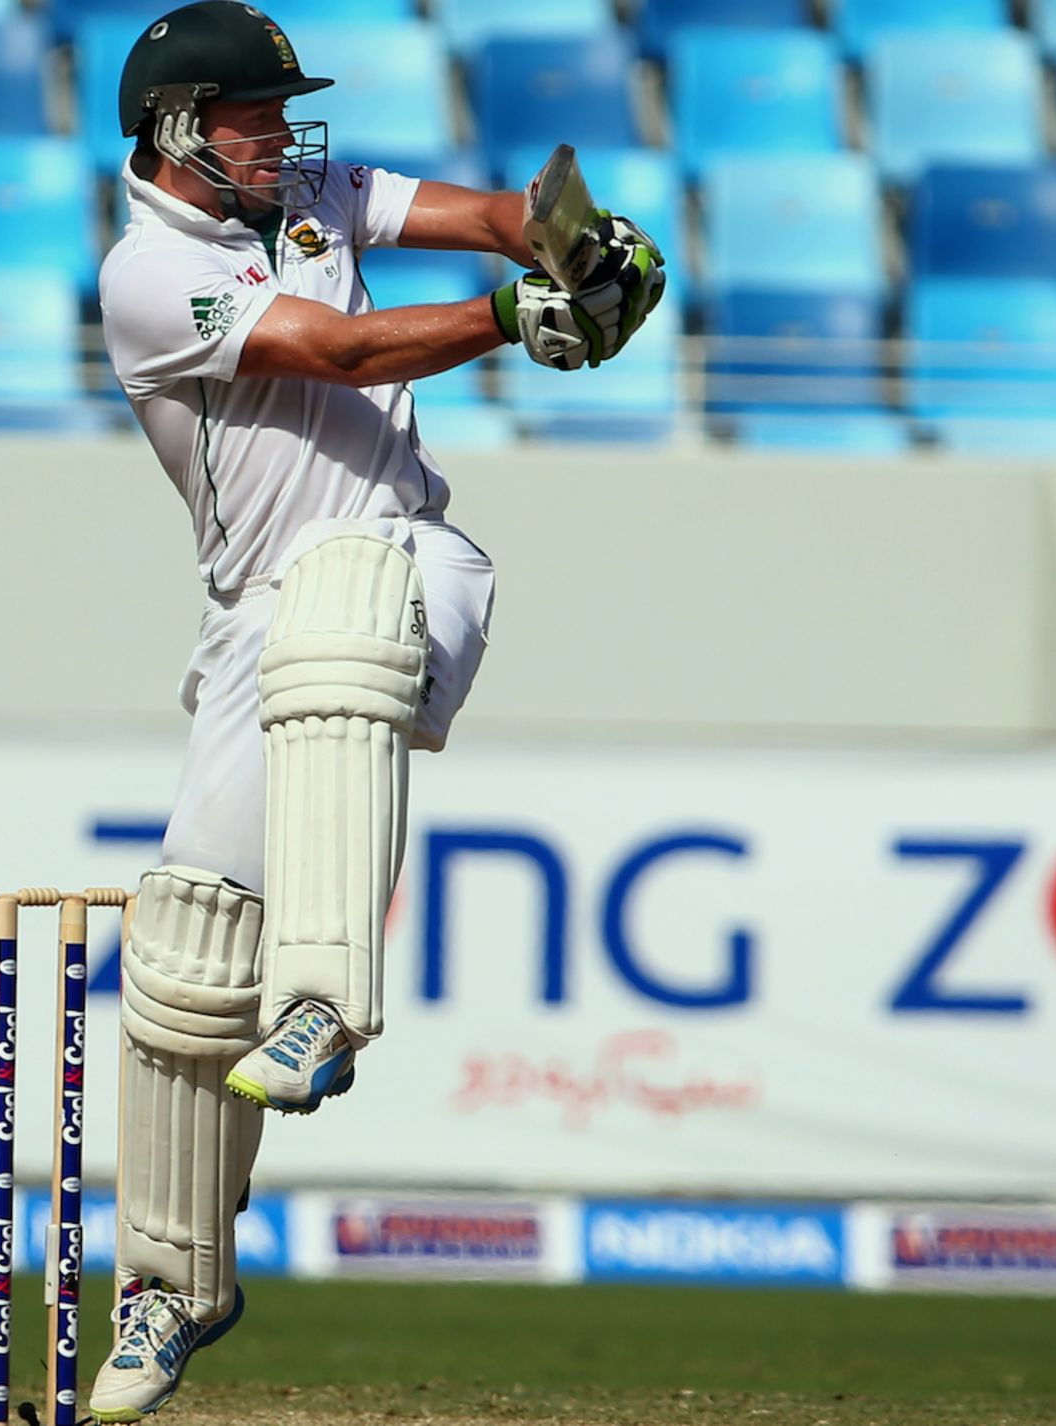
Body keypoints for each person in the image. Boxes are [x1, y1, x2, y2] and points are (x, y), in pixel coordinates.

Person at [88, 3, 665, 1420]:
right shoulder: (148, 274)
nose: (286, 139)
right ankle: (173, 1283)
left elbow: (484, 212)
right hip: (249, 620)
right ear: (178, 133)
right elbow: (340, 353)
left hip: (411, 561)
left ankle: (326, 1005)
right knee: (182, 961)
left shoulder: (312, 197)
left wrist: (569, 239)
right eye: (257, 118)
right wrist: (511, 319)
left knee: (344, 618)